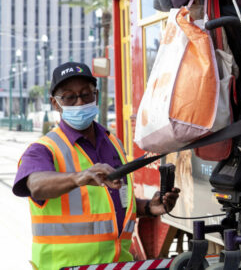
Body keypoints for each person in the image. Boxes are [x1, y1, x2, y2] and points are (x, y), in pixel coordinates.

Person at [13, 62, 180, 270]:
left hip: (117, 264)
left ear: (97, 96)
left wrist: (148, 207)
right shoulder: (43, 149)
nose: (80, 102)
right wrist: (78, 177)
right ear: (55, 104)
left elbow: (113, 201)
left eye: (86, 94)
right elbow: (35, 185)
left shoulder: (113, 143)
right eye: (69, 97)